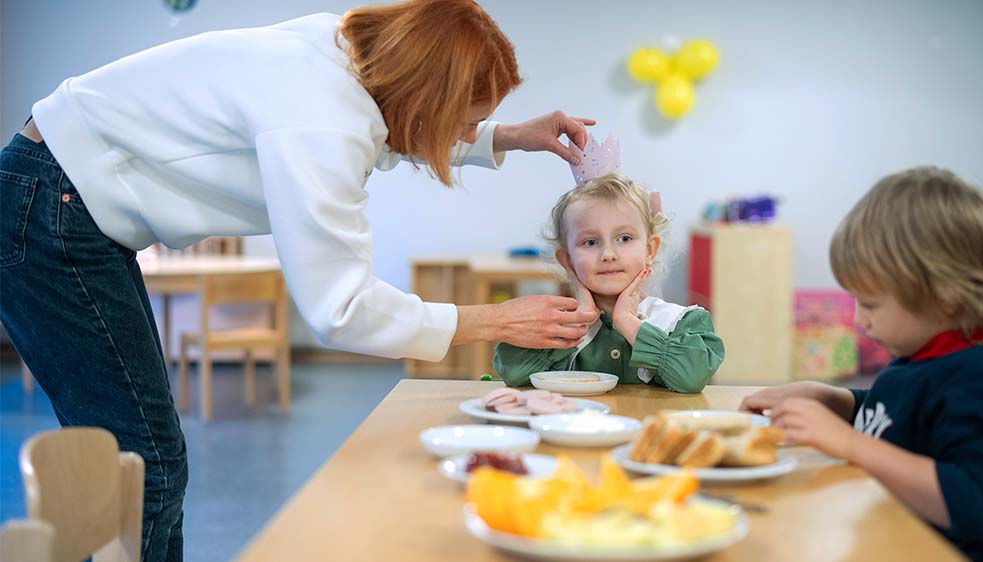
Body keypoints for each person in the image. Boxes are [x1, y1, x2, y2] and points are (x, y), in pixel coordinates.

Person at [0, 2, 599, 560]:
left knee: (141, 458)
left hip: (58, 190)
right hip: (55, 207)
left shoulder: (346, 50)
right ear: (425, 99)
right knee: (146, 464)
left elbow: (390, 126)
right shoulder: (320, 118)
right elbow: (340, 309)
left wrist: (508, 136)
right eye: (464, 123)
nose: (466, 134)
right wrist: (495, 319)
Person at [739, 167, 983, 562]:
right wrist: (837, 400)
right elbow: (901, 417)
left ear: (946, 297)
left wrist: (850, 444)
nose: (859, 319)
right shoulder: (924, 354)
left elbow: (973, 503)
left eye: (871, 304)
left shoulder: (977, 376)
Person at [493, 172, 725, 391]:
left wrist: (627, 321)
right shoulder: (552, 323)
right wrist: (577, 322)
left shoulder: (681, 322)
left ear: (650, 250)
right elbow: (515, 373)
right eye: (591, 242)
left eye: (624, 238)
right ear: (567, 260)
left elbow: (692, 377)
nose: (608, 254)